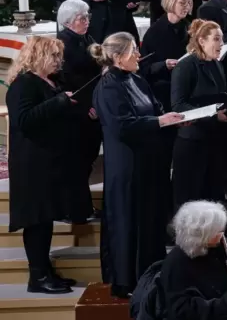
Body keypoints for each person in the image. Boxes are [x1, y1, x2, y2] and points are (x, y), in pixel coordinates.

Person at [91, 32, 185, 298]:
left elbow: (155, 110)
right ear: (118, 58)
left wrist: (175, 120)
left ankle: (150, 276)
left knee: (151, 222)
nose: (139, 56)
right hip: (127, 169)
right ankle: (127, 282)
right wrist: (160, 122)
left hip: (149, 166)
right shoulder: (108, 86)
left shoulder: (137, 79)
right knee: (129, 223)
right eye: (133, 51)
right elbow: (123, 127)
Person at [6, 37, 78, 293]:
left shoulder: (50, 81)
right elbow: (24, 119)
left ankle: (45, 271)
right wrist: (59, 102)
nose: (59, 62)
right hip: (31, 164)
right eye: (54, 56)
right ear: (38, 57)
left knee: (45, 219)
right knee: (36, 221)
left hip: (48, 162)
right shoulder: (23, 84)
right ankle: (37, 277)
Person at [171, 19, 227, 210]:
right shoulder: (185, 66)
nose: (221, 44)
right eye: (216, 39)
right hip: (192, 143)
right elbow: (179, 105)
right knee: (190, 200)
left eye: (222, 39)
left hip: (214, 140)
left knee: (213, 198)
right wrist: (214, 116)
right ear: (201, 41)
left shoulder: (216, 65)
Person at [56, 0, 101, 221]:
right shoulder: (63, 43)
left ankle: (83, 207)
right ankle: (74, 210)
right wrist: (87, 107)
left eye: (87, 17)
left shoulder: (86, 38)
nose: (86, 21)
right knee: (76, 163)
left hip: (92, 105)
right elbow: (68, 82)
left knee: (85, 162)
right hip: (78, 111)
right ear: (67, 22)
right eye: (81, 18)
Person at [139, 0, 192, 111]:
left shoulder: (190, 26)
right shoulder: (154, 33)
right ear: (171, 2)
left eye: (189, 3)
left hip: (188, 85)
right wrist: (164, 65)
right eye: (182, 3)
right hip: (165, 91)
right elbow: (143, 68)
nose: (187, 7)